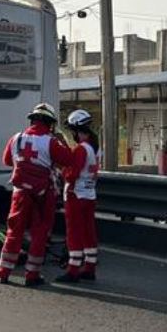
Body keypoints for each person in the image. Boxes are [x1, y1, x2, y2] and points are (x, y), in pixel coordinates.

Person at [0, 102, 73, 286]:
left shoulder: (16, 138)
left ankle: (3, 273)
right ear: (50, 123)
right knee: (40, 233)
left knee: (14, 231)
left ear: (32, 120)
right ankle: (32, 275)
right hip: (42, 194)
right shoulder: (51, 142)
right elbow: (68, 159)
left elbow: (7, 161)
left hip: (19, 193)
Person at [56, 109, 100, 283]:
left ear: (76, 129)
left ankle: (73, 269)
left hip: (75, 195)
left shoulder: (81, 150)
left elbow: (71, 174)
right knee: (89, 232)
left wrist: (61, 169)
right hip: (89, 194)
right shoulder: (94, 148)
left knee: (74, 233)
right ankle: (90, 267)